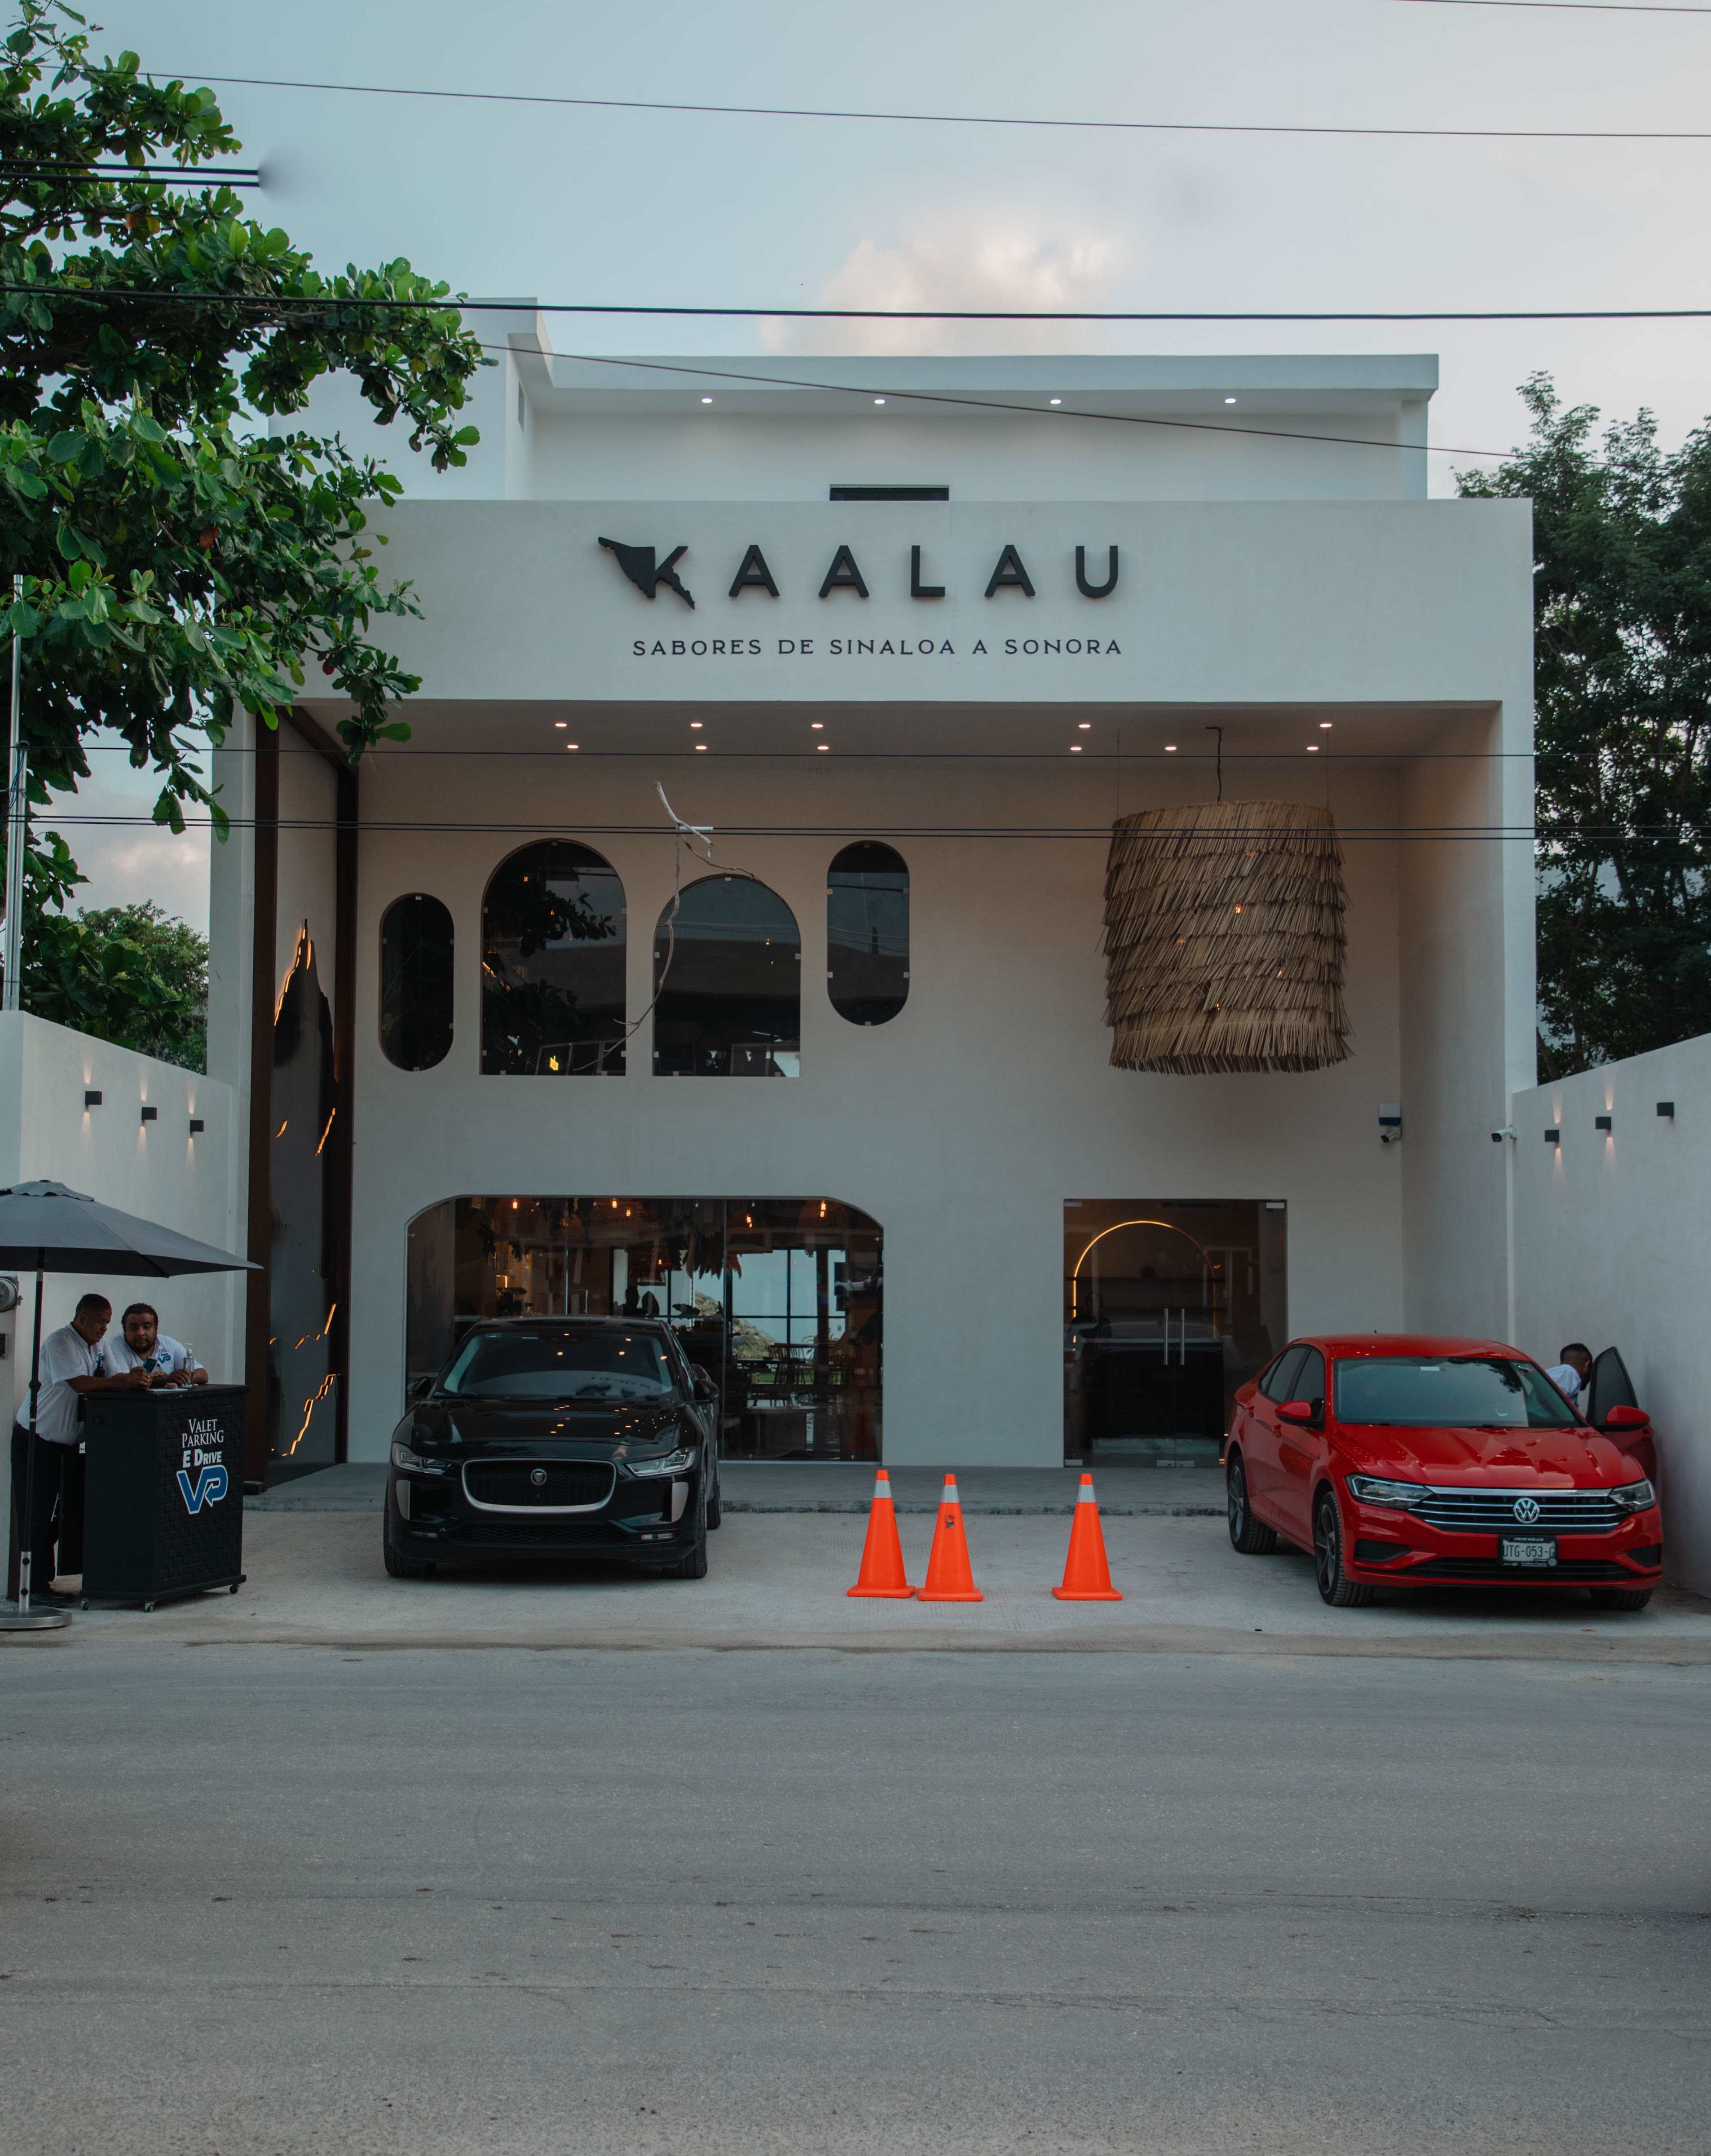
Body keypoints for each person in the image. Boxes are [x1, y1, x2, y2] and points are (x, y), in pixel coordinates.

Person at [8, 1293, 149, 1606]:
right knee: (37, 1512)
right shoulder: (61, 1342)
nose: (104, 1329)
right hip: (38, 1438)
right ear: (83, 1318)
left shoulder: (97, 1345)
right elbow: (79, 1383)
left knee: (65, 1511)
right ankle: (35, 1586)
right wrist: (123, 1383)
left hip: (68, 1442)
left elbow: (114, 1375)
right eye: (101, 1322)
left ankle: (49, 1575)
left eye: (108, 1324)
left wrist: (135, 1378)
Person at [101, 1303, 209, 1388]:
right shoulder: (113, 1345)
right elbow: (126, 1381)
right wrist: (167, 1379)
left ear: (156, 1329)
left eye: (147, 1327)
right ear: (125, 1331)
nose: (141, 1333)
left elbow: (203, 1374)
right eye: (134, 1328)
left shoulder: (169, 1344)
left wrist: (182, 1377)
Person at [1544, 1342, 1593, 1407]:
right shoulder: (1568, 1373)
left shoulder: (1565, 1373)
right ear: (1587, 1364)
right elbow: (1543, 1398)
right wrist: (1566, 1416)